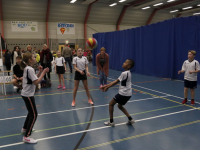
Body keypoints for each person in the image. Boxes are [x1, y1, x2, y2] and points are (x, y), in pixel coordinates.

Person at [20, 52, 49, 143]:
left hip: (26, 94)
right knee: (34, 114)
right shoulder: (30, 69)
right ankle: (27, 136)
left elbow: (33, 79)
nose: (35, 57)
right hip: (28, 95)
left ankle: (25, 128)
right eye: (33, 57)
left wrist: (40, 72)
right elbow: (36, 82)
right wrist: (43, 73)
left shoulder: (28, 68)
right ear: (30, 60)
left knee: (30, 112)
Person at [100, 59, 135, 126]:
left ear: (128, 66)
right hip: (128, 94)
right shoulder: (129, 73)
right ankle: (130, 119)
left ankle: (111, 122)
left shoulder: (124, 73)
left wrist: (107, 87)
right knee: (119, 106)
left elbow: (116, 81)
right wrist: (106, 86)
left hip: (123, 94)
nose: (123, 63)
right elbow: (116, 81)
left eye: (125, 62)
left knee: (111, 104)